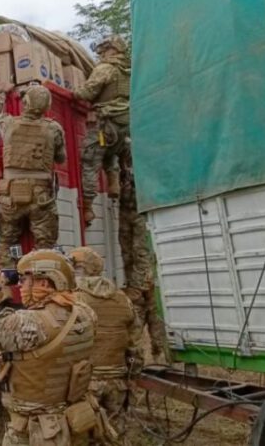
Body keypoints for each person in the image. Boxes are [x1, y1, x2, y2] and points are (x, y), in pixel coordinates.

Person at [0, 249, 97, 446]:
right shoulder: (86, 313)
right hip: (74, 421)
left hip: (37, 433)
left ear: (44, 282)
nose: (20, 286)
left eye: (24, 280)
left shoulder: (32, 323)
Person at [0, 84, 67, 268]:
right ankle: (43, 279)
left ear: (25, 103)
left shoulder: (8, 124)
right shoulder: (54, 129)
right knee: (45, 243)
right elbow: (61, 158)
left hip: (11, 195)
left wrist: (2, 95)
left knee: (7, 241)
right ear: (46, 106)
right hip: (41, 196)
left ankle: (10, 279)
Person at [70, 247, 142, 444]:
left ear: (77, 268)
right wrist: (132, 375)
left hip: (84, 382)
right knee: (116, 434)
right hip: (117, 380)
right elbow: (134, 344)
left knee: (83, 434)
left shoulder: (73, 299)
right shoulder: (121, 298)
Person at [74, 35, 131, 227]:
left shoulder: (105, 69)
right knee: (111, 154)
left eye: (104, 50)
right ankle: (113, 182)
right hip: (123, 125)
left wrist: (75, 92)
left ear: (112, 50)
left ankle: (88, 208)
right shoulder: (128, 71)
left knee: (90, 161)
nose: (101, 54)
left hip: (105, 122)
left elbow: (87, 92)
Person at [118, 148, 168, 358]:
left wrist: (139, 285)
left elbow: (142, 253)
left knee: (153, 309)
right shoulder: (125, 173)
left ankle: (160, 351)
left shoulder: (144, 177)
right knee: (143, 310)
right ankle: (147, 354)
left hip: (144, 277)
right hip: (137, 276)